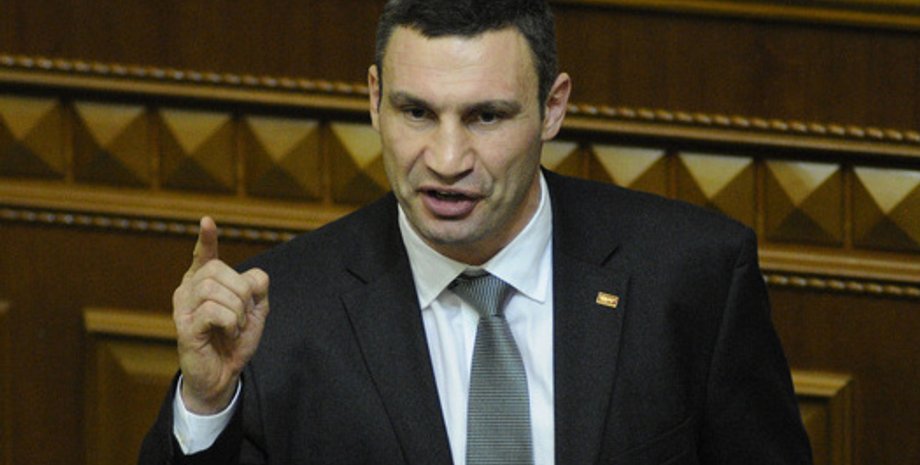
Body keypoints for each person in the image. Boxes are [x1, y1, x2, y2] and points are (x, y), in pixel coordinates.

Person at [140, 0, 812, 463]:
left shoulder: (691, 278)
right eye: (416, 112)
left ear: (553, 107)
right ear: (373, 98)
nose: (446, 159)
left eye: (486, 117)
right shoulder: (277, 313)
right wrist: (206, 403)